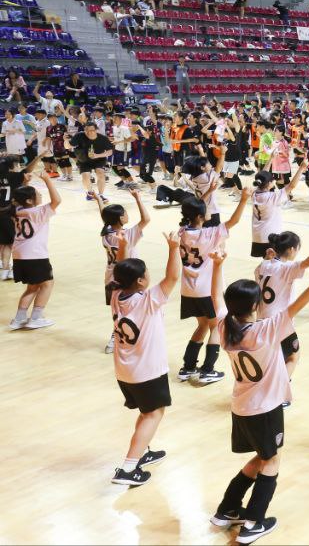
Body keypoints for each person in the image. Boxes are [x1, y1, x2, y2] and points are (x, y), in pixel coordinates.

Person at [207, 251, 309, 545]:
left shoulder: (223, 327)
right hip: (264, 409)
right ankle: (254, 521)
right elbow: (298, 305)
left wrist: (217, 266)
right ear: (256, 305)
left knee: (261, 457)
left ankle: (227, 508)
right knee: (272, 459)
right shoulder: (266, 329)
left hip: (241, 406)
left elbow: (216, 296)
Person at [106, 232, 181, 486]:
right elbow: (172, 277)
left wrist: (124, 246)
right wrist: (174, 248)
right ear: (140, 281)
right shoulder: (148, 300)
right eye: (146, 273)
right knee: (154, 413)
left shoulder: (116, 296)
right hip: (146, 371)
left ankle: (142, 453)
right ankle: (127, 469)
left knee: (147, 411)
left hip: (125, 370)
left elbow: (120, 270)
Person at [175, 191, 250, 383]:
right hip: (207, 289)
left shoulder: (181, 233)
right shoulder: (208, 233)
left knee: (202, 325)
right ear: (200, 216)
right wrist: (243, 200)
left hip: (188, 289)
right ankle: (208, 370)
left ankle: (188, 367)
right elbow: (233, 221)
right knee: (216, 327)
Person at [254, 231, 309, 378]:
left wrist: (266, 257)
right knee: (293, 357)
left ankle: (268, 388)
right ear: (291, 249)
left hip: (261, 319)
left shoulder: (264, 265)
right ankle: (279, 392)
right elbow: (308, 263)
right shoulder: (286, 268)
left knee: (271, 358)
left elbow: (257, 272)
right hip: (279, 322)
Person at [97, 188, 151, 353]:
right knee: (136, 309)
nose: (128, 215)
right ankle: (133, 338)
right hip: (128, 278)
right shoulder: (127, 235)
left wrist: (99, 201)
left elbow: (105, 218)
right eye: (126, 213)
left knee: (117, 311)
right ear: (121, 218)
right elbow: (146, 219)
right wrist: (138, 199)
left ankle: (116, 336)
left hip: (110, 278)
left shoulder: (105, 234)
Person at [6, 172, 61, 330]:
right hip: (36, 255)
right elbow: (57, 200)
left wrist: (24, 182)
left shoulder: (16, 211)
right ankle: (36, 318)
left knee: (32, 287)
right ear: (30, 200)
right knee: (47, 284)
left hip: (19, 255)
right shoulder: (38, 212)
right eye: (38, 194)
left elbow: (18, 198)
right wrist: (47, 179)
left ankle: (19, 319)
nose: (40, 195)